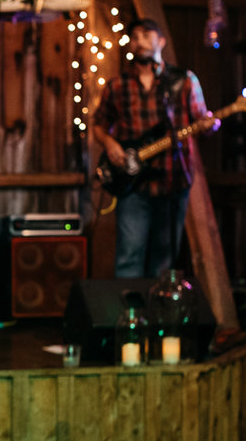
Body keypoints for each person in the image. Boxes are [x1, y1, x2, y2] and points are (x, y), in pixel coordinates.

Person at [92, 18, 217, 280]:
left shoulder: (184, 80)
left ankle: (158, 316)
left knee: (164, 262)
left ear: (161, 41)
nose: (139, 41)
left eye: (146, 35)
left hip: (173, 181)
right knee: (129, 258)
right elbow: (98, 125)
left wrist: (210, 124)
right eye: (134, 37)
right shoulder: (117, 85)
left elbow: (201, 122)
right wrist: (111, 144)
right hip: (132, 183)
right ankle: (129, 317)